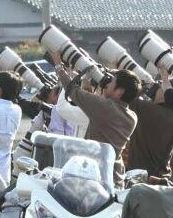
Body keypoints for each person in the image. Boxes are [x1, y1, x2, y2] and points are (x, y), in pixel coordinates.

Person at [53, 56, 139, 187]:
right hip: (115, 177)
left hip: (95, 178)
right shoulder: (132, 117)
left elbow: (73, 91)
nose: (108, 83)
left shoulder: (105, 107)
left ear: (120, 91)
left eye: (112, 82)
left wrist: (59, 66)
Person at [127, 82, 173, 178]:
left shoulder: (145, 108)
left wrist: (143, 87)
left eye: (159, 88)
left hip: (138, 173)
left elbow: (127, 98)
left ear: (165, 93)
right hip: (160, 175)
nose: (156, 90)